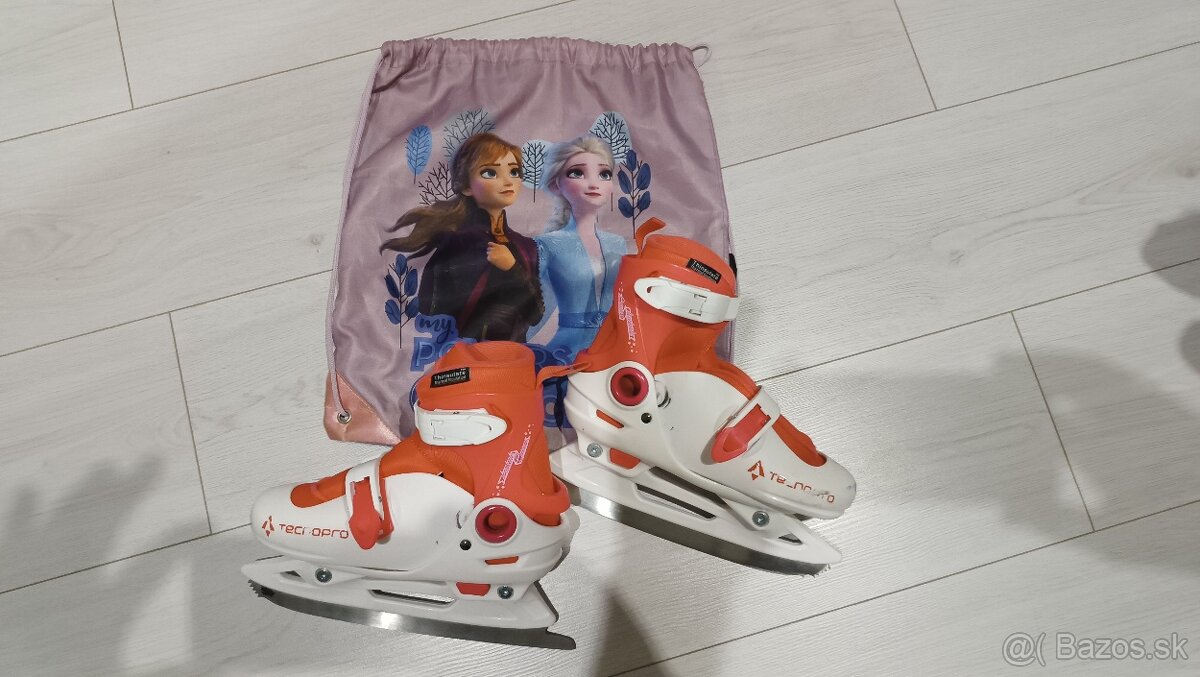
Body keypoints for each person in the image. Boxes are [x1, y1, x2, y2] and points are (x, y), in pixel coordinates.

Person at [380, 132, 543, 342]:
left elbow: (536, 314)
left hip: (515, 353)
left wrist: (512, 268)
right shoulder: (460, 241)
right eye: (490, 173)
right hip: (466, 352)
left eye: (514, 171)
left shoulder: (526, 246)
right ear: (466, 187)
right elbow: (433, 308)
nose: (507, 181)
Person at [530, 135, 629, 365]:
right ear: (556, 185)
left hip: (617, 349)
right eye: (577, 173)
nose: (594, 183)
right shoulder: (548, 243)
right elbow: (536, 305)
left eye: (604, 174)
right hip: (568, 352)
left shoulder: (617, 243)